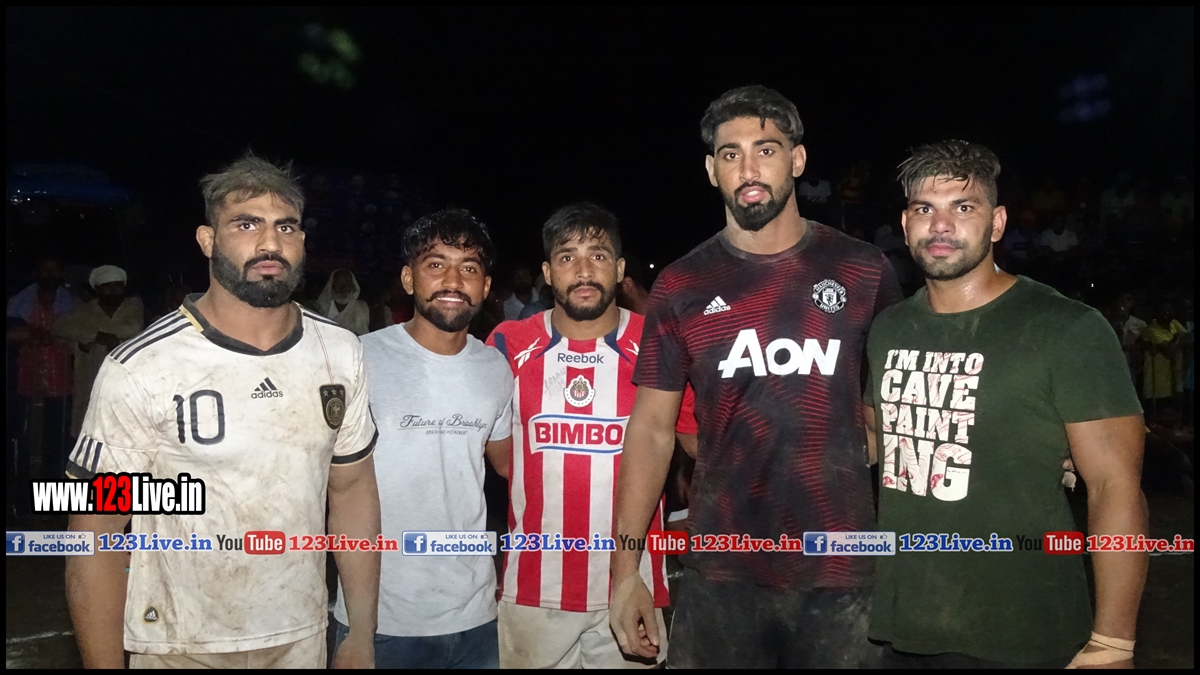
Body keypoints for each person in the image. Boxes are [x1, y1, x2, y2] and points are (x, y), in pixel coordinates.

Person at [611, 85, 901, 669]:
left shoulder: (863, 269)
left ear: (797, 159)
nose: (748, 168)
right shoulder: (681, 284)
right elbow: (651, 431)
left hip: (843, 569)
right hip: (722, 570)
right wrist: (624, 572)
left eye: (765, 150)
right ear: (711, 170)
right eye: (730, 153)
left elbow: (901, 407)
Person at [64, 153, 382, 669]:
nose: (270, 243)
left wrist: (361, 634)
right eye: (246, 224)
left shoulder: (339, 352)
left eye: (286, 226)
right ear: (207, 240)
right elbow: (97, 532)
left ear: (302, 240)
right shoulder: (143, 366)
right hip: (179, 648)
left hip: (300, 637)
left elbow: (352, 491)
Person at [863, 139, 1147, 668]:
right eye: (924, 209)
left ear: (996, 224)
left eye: (962, 207)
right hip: (906, 626)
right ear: (904, 225)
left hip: (1023, 627)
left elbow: (1116, 486)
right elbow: (878, 436)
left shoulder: (1067, 328)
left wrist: (1114, 642)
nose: (940, 226)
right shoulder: (889, 328)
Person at [487, 203, 670, 668]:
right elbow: (503, 459)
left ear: (620, 269)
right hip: (534, 589)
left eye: (598, 255)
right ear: (548, 272)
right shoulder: (507, 344)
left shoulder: (658, 344)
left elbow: (690, 442)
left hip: (635, 584)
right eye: (567, 257)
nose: (584, 270)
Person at [331, 209, 513, 669]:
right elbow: (331, 484)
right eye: (436, 264)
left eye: (469, 268)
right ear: (409, 279)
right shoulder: (359, 360)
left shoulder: (495, 368)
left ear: (486, 287)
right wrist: (359, 631)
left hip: (475, 615)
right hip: (381, 621)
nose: (453, 280)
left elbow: (508, 464)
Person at [51, 264, 145, 441]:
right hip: (90, 382)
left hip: (127, 384)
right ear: (97, 289)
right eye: (107, 286)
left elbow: (133, 328)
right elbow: (58, 327)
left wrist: (97, 336)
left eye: (117, 286)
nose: (113, 291)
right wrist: (91, 336)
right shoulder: (85, 310)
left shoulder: (133, 305)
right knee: (89, 434)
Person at [6, 257, 77, 492]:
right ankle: (22, 499)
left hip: (61, 384)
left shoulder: (74, 305)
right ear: (36, 273)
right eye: (44, 269)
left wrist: (42, 335)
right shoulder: (18, 303)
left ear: (61, 273)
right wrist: (34, 334)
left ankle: (53, 500)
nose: (49, 274)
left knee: (57, 446)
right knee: (24, 443)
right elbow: (11, 334)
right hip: (25, 384)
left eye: (54, 270)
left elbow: (80, 337)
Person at [316, 268, 370, 335]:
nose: (343, 289)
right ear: (332, 285)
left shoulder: (362, 308)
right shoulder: (321, 307)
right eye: (339, 284)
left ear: (353, 286)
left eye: (347, 285)